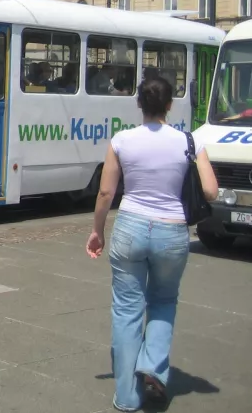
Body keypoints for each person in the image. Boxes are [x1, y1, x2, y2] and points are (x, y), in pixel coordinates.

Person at [86, 76, 218, 411]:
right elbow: (211, 191)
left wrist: (97, 231)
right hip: (172, 232)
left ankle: (128, 397)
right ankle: (153, 365)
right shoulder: (189, 141)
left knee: (127, 310)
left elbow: (106, 192)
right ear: (170, 105)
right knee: (163, 301)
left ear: (139, 104)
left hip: (130, 228)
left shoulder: (122, 140)